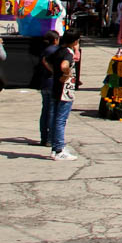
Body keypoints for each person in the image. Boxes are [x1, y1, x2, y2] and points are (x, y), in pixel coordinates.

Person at [48, 30, 82, 161]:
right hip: (65, 91)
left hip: (56, 87)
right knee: (61, 119)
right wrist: (65, 74)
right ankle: (59, 149)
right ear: (74, 41)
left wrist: (56, 73)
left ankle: (56, 146)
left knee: (56, 117)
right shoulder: (68, 53)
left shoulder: (58, 50)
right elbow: (64, 65)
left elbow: (46, 61)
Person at [30, 31, 60, 146]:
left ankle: (44, 137)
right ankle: (50, 138)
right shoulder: (55, 51)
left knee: (46, 110)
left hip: (44, 83)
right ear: (55, 40)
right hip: (52, 82)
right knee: (52, 111)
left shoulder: (44, 51)